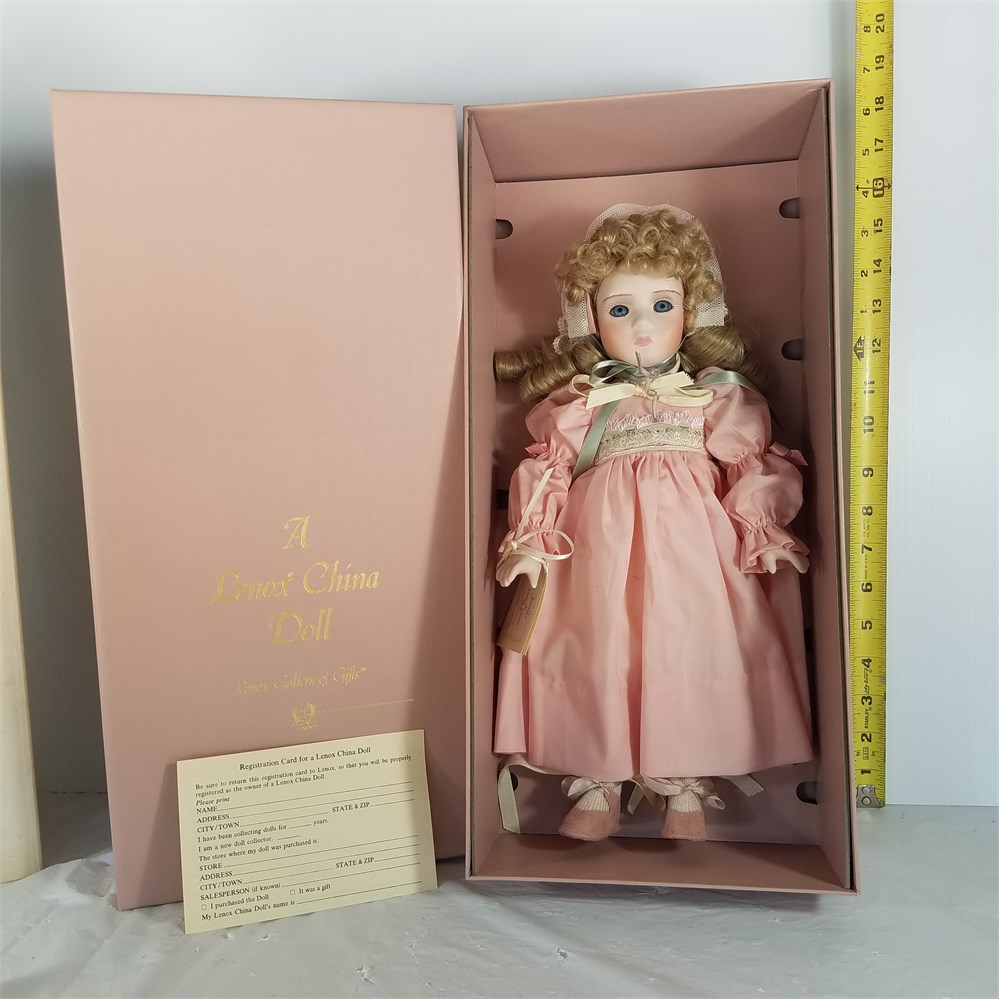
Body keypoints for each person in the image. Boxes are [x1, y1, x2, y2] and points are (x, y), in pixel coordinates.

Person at [493, 204, 813, 842]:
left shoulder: (713, 394)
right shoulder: (582, 403)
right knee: (598, 644)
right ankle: (598, 780)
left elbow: (751, 463)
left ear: (692, 313)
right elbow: (548, 469)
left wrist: (765, 528)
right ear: (590, 319)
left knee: (690, 642)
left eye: (662, 305)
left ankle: (685, 783)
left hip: (696, 552)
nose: (642, 326)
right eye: (620, 309)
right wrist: (530, 539)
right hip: (597, 550)